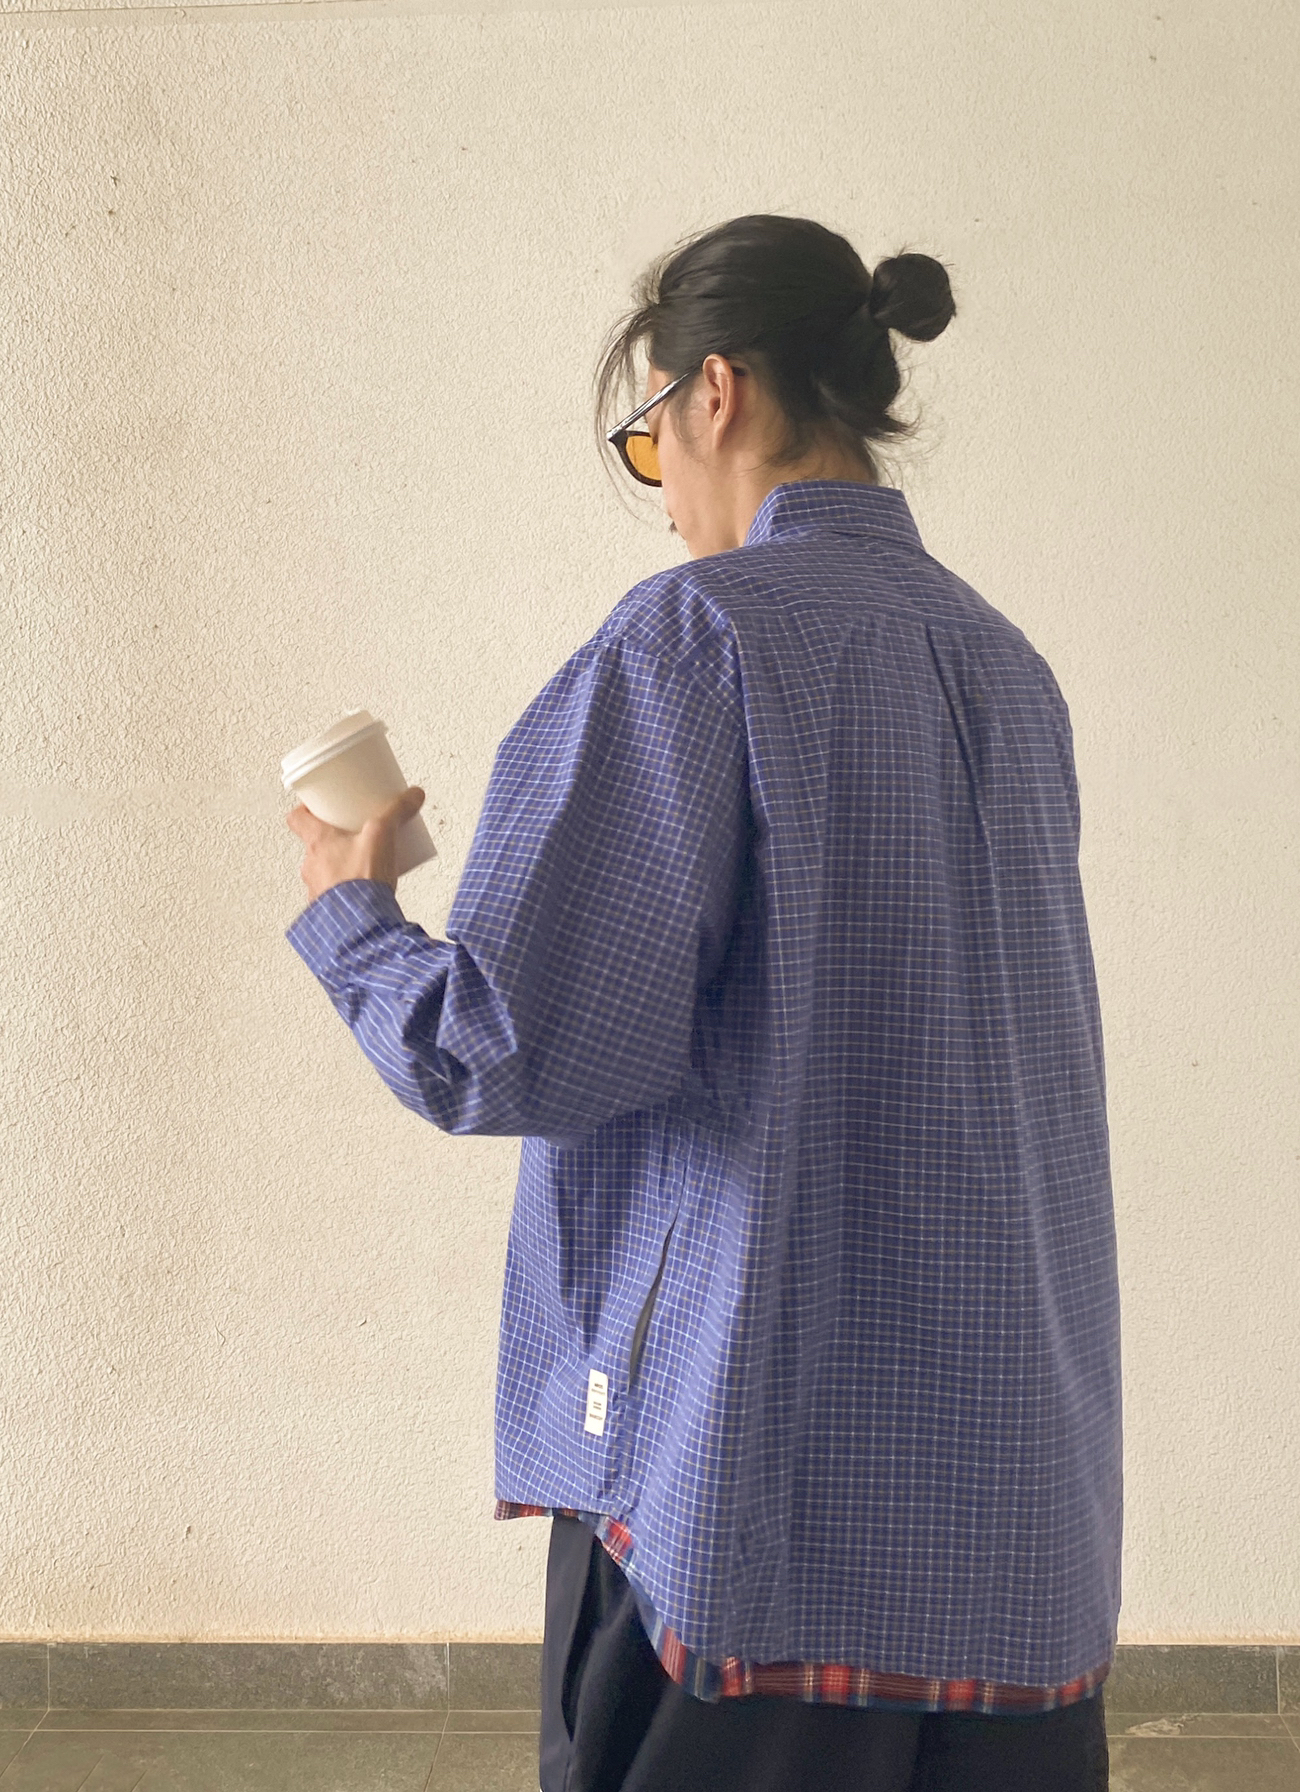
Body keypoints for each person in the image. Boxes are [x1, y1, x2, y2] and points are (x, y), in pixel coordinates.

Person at [284, 213, 1120, 1792]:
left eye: (647, 442)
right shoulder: (1007, 667)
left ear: (714, 393)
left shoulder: (696, 639)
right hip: (1019, 1524)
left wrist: (351, 914)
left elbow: (503, 1046)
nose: (663, 494)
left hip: (761, 1497)